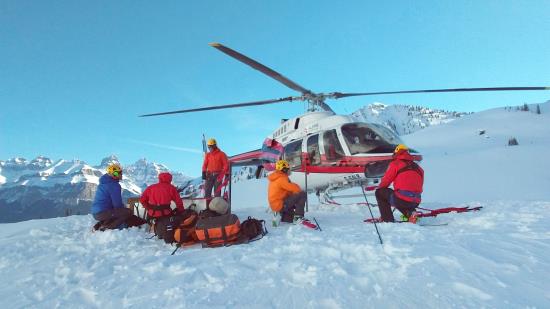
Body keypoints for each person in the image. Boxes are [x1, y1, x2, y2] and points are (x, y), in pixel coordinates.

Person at [375, 144, 424, 222]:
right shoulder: (419, 168)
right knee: (400, 197)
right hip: (416, 201)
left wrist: (379, 187)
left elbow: (386, 181)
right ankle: (411, 214)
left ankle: (387, 219)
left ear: (396, 152)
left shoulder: (395, 164)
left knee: (380, 193)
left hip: (402, 200)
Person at [267, 159, 309, 226]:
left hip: (276, 204)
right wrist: (296, 190)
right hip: (280, 204)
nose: (289, 170)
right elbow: (295, 189)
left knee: (290, 217)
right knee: (302, 194)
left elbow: (288, 191)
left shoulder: (277, 177)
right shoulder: (281, 178)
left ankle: (281, 216)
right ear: (284, 169)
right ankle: (298, 218)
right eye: (288, 168)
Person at [91, 163, 132, 230]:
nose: (119, 175)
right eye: (116, 173)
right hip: (102, 213)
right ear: (111, 174)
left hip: (96, 213)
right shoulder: (114, 185)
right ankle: (107, 227)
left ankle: (98, 226)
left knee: (115, 212)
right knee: (128, 212)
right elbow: (117, 205)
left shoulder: (103, 182)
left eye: (120, 173)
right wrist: (124, 210)